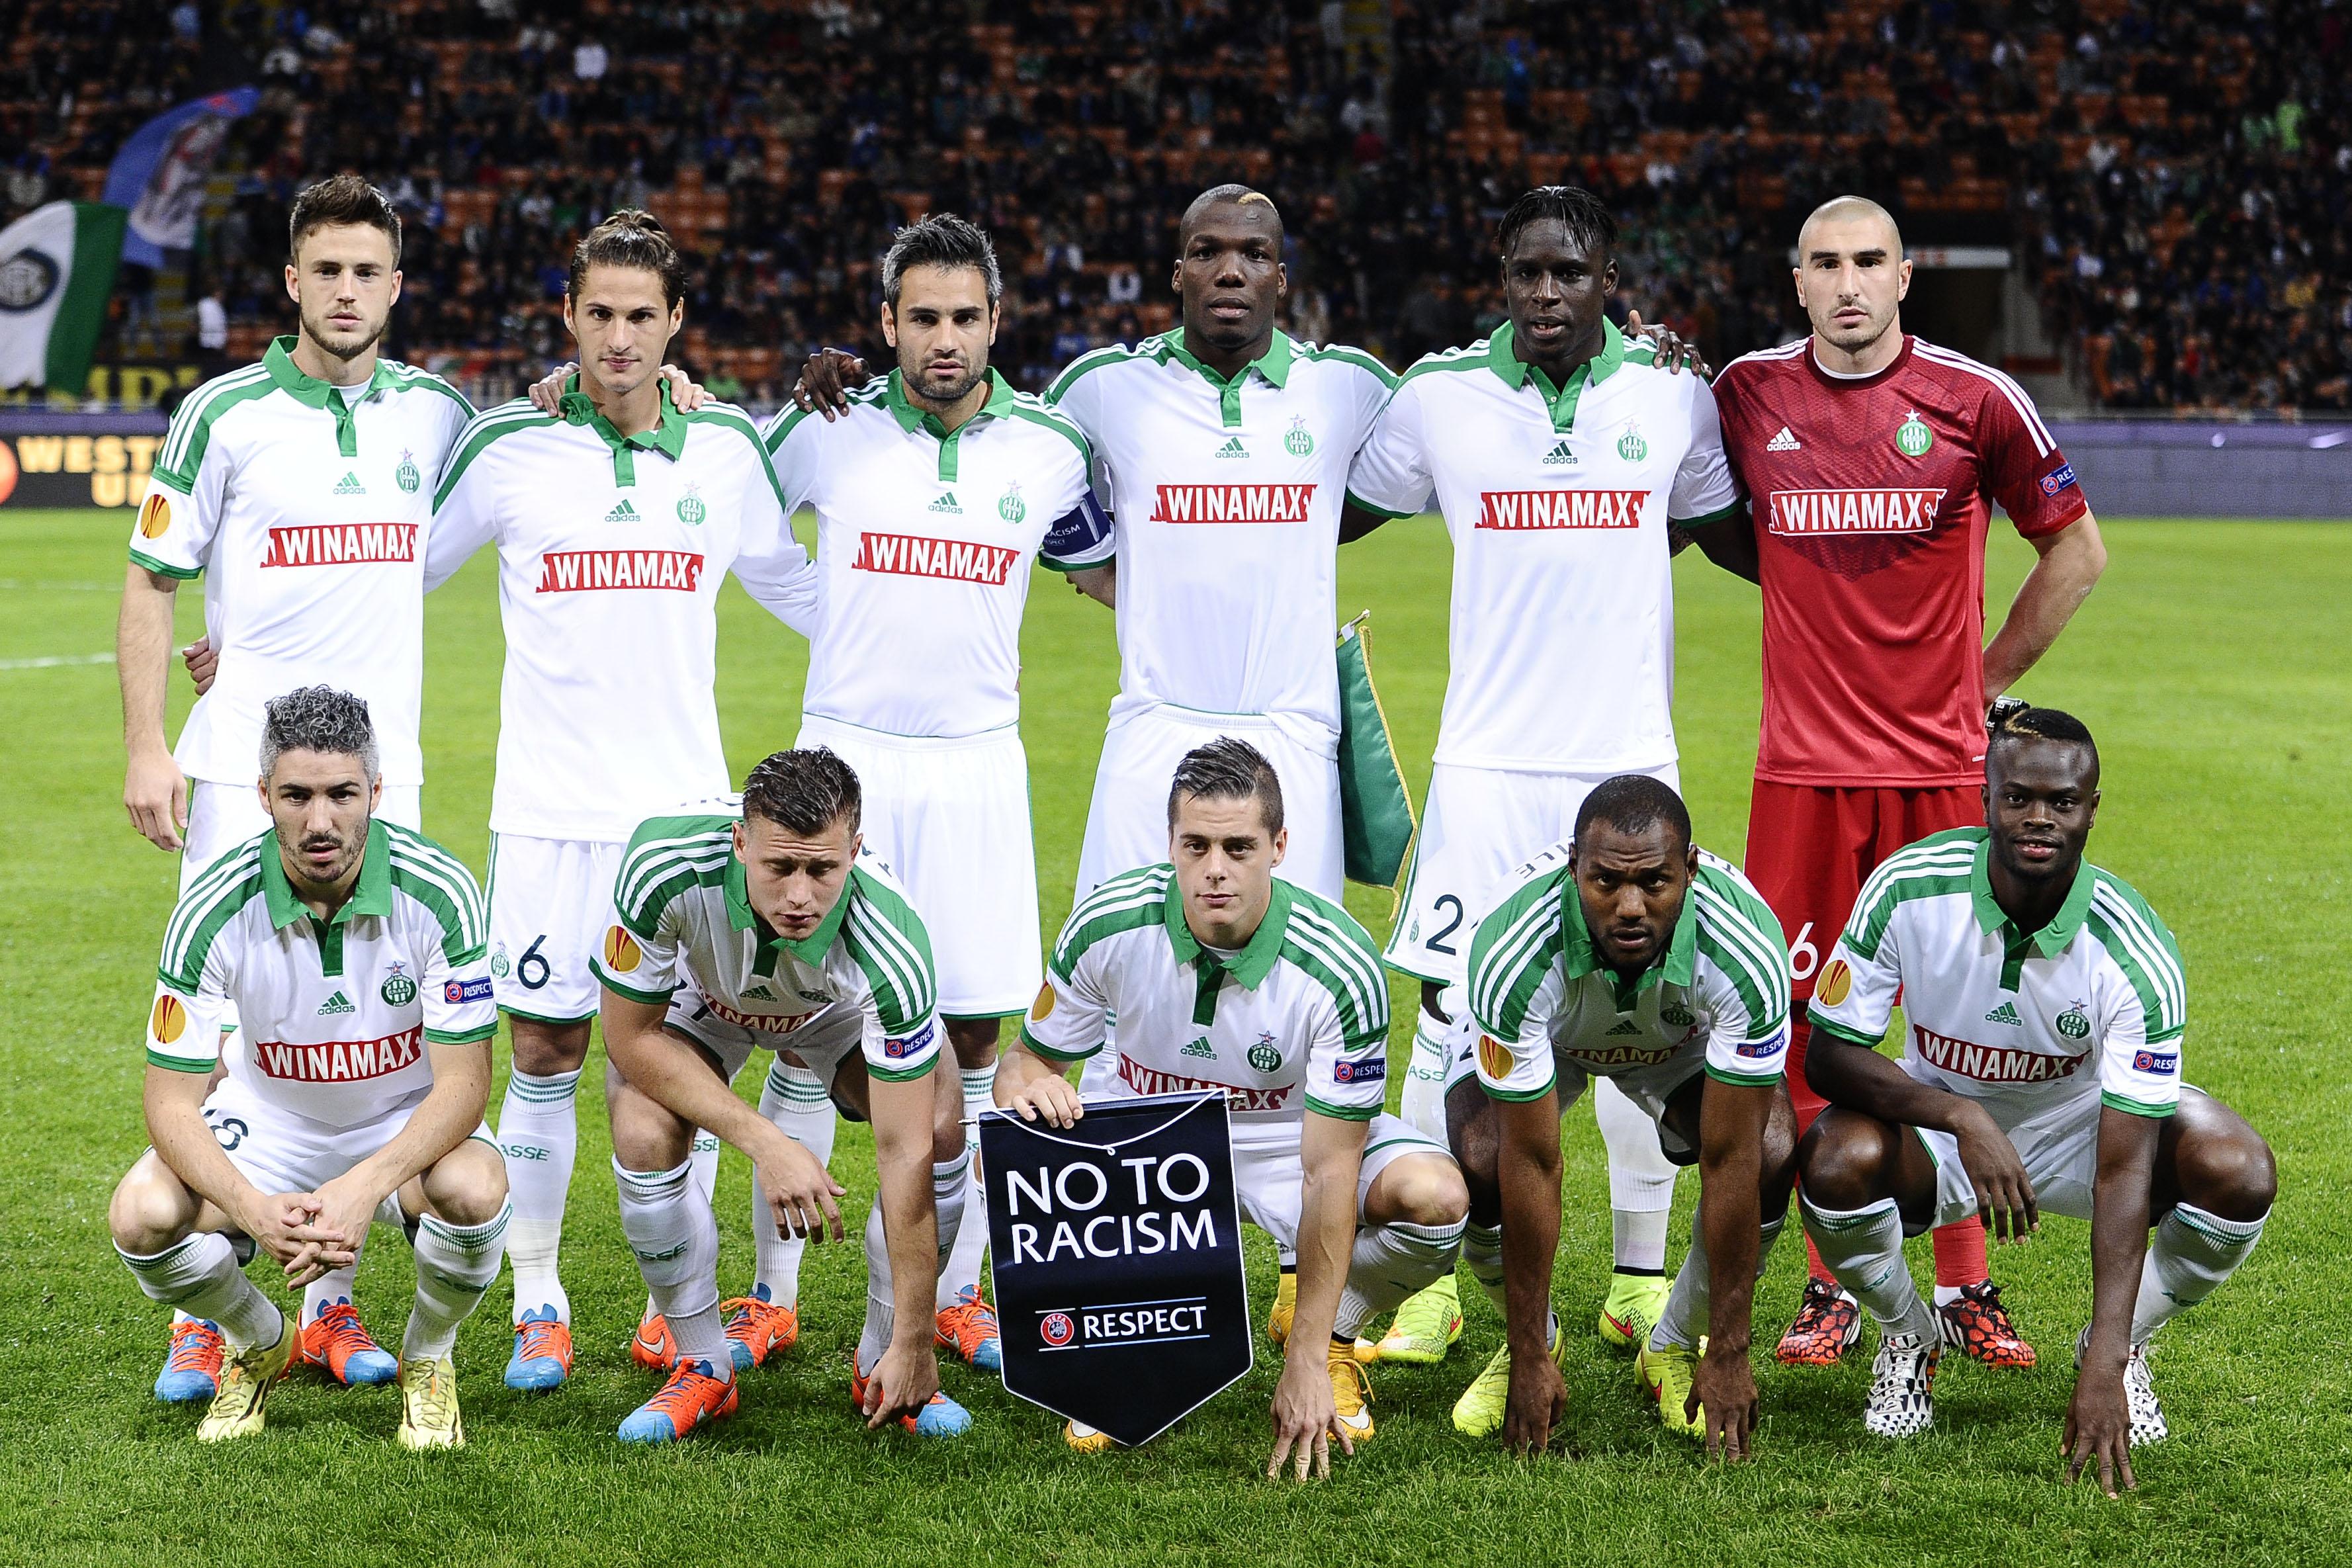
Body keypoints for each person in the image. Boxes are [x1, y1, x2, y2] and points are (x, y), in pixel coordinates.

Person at [1690, 195, 2109, 1368]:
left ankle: (1970, 1286)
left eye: (1869, 260)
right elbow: (1706, 508)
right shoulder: (1745, 393)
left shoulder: (1976, 399)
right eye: (1826, 264)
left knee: (1955, 1031)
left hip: (1936, 775)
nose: (1849, 283)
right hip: (1804, 777)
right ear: (1798, 281)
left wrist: (1983, 688)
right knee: (1806, 1037)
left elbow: (2076, 551)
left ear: (1906, 274)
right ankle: (1833, 1283)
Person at [1344, 186, 1740, 1367]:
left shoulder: (1674, 392)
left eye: (1569, 272)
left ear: (1607, 272)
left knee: (1636, 1012)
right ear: (1501, 275)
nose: (1548, 293)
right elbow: (1330, 510)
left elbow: (1723, 530)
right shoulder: (1439, 398)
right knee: (1450, 1011)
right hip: (1488, 763)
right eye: (1527, 272)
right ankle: (1435, 1284)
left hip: (1627, 763)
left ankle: (1633, 1278)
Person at [425, 210, 818, 1391]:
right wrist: (239, 640)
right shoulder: (507, 449)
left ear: (676, 323)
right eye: (599, 313)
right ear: (569, 320)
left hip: (683, 825)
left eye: (642, 314)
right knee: (542, 1052)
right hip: (546, 812)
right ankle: (538, 1302)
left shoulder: (722, 452)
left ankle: (674, 1311)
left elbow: (806, 593)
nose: (619, 336)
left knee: (672, 1069)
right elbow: (396, 569)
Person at [118, 174, 474, 1401]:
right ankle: (212, 1314)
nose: (346, 290)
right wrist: (150, 745)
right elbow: (154, 578)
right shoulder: (221, 413)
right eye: (326, 269)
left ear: (396, 285)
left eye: (368, 270)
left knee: (372, 1038)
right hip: (236, 773)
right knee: (231, 1040)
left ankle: (327, 1310)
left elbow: (555, 444)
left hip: (390, 780)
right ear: (291, 282)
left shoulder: (434, 414)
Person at [761, 213, 1104, 1373]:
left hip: (976, 769)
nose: (944, 339)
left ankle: (951, 1295)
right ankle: (772, 1292)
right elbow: (725, 512)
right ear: (886, 324)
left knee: (966, 1034)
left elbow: (1111, 570)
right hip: (846, 761)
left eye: (966, 317)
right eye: (923, 318)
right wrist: (836, 618)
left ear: (996, 323)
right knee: (805, 1024)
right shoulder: (826, 427)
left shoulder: (1052, 449)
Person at [1796, 705, 2272, 1494]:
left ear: (2092, 809)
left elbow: (2124, 1169)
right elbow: (1832, 1056)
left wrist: (2106, 1361)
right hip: (1944, 1125)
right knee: (1835, 1159)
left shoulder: (2134, 949)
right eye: (2018, 797)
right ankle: (1910, 1338)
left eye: (2062, 801)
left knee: (2238, 1169)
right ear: (1985, 798)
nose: (2038, 819)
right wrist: (1959, 1114)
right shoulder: (1908, 888)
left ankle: (2115, 1346)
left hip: (2083, 1128)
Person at [996, 739, 1469, 1467]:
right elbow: (1023, 1061)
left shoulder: (1339, 965)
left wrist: (1306, 1359)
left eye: (1239, 847)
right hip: (1145, 1150)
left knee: (1437, 1202)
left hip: (1289, 1141)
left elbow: (1330, 1170)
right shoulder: (1109, 923)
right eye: (1197, 845)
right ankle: (1123, 1346)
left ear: (1279, 847)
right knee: (998, 1157)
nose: (1216, 869)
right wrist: (1034, 1090)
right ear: (1171, 845)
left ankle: (1334, 1336)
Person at [107, 687, 509, 1448]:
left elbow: (464, 1085)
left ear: (376, 793)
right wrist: (253, 1207)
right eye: (296, 795)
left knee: (475, 1189)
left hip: (401, 1119)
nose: (319, 821)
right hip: (270, 1121)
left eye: (341, 794)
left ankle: (429, 1360)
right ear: (263, 796)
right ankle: (260, 1339)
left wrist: (363, 1186)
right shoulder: (213, 908)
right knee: (142, 1214)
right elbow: (169, 1104)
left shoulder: (442, 893)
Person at [591, 748, 975, 1442]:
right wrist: (768, 1142)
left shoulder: (893, 945)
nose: (800, 895)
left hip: (834, 1017)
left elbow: (904, 1150)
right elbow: (630, 1039)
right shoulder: (664, 864)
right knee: (644, 1128)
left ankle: (882, 1358)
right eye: (779, 867)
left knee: (942, 1125)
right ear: (740, 844)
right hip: (704, 999)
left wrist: (918, 1338)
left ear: (855, 852)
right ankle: (701, 1366)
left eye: (823, 869)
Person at [1449, 776, 1794, 1456]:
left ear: (1690, 872)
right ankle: (1533, 1342)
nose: (1630, 907)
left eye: (1656, 883)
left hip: (1679, 1042)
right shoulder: (1515, 949)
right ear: (1574, 866)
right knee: (1485, 1157)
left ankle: (1672, 1344)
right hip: (1554, 1035)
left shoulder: (1745, 950)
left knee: (1772, 1147)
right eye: (1605, 882)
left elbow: (1732, 1159)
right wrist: (1526, 1354)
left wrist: (1729, 1349)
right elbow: (1534, 1160)